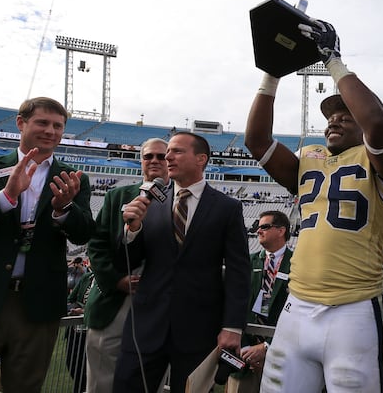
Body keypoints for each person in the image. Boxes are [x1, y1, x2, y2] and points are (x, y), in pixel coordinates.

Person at [244, 17, 383, 392]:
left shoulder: (382, 161)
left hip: (353, 310)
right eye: (329, 119)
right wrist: (271, 74)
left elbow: (377, 122)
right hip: (296, 307)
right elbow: (256, 140)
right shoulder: (310, 158)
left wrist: (334, 62)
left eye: (344, 117)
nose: (333, 123)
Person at [0, 97, 94, 392]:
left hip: (37, 306)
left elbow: (83, 235)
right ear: (21, 123)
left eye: (58, 126)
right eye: (42, 122)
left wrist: (63, 210)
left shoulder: (73, 178)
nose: (51, 131)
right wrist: (4, 198)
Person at [112, 131, 251, 393]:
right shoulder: (149, 202)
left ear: (201, 159)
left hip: (199, 329)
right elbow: (126, 261)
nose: (167, 157)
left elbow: (238, 271)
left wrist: (232, 326)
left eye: (176, 151)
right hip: (146, 324)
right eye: (168, 152)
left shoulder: (227, 208)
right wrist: (132, 230)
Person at [84, 137, 169, 393]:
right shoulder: (117, 196)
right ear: (141, 161)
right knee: (101, 376)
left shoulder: (181, 200)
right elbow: (97, 245)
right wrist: (115, 281)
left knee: (149, 376)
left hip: (160, 302)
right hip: (116, 300)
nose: (154, 161)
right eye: (148, 156)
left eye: (161, 156)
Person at [226, 210, 293, 393]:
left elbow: (298, 314)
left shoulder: (297, 264)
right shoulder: (248, 261)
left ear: (281, 231)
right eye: (257, 227)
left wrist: (266, 347)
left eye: (264, 226)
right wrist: (246, 347)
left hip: (281, 358)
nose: (258, 231)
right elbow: (233, 303)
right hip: (244, 356)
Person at [65, 269, 96, 393]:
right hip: (75, 333)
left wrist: (84, 310)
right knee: (72, 365)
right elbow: (71, 299)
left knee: (86, 372)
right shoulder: (87, 278)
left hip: (93, 333)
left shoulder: (109, 280)